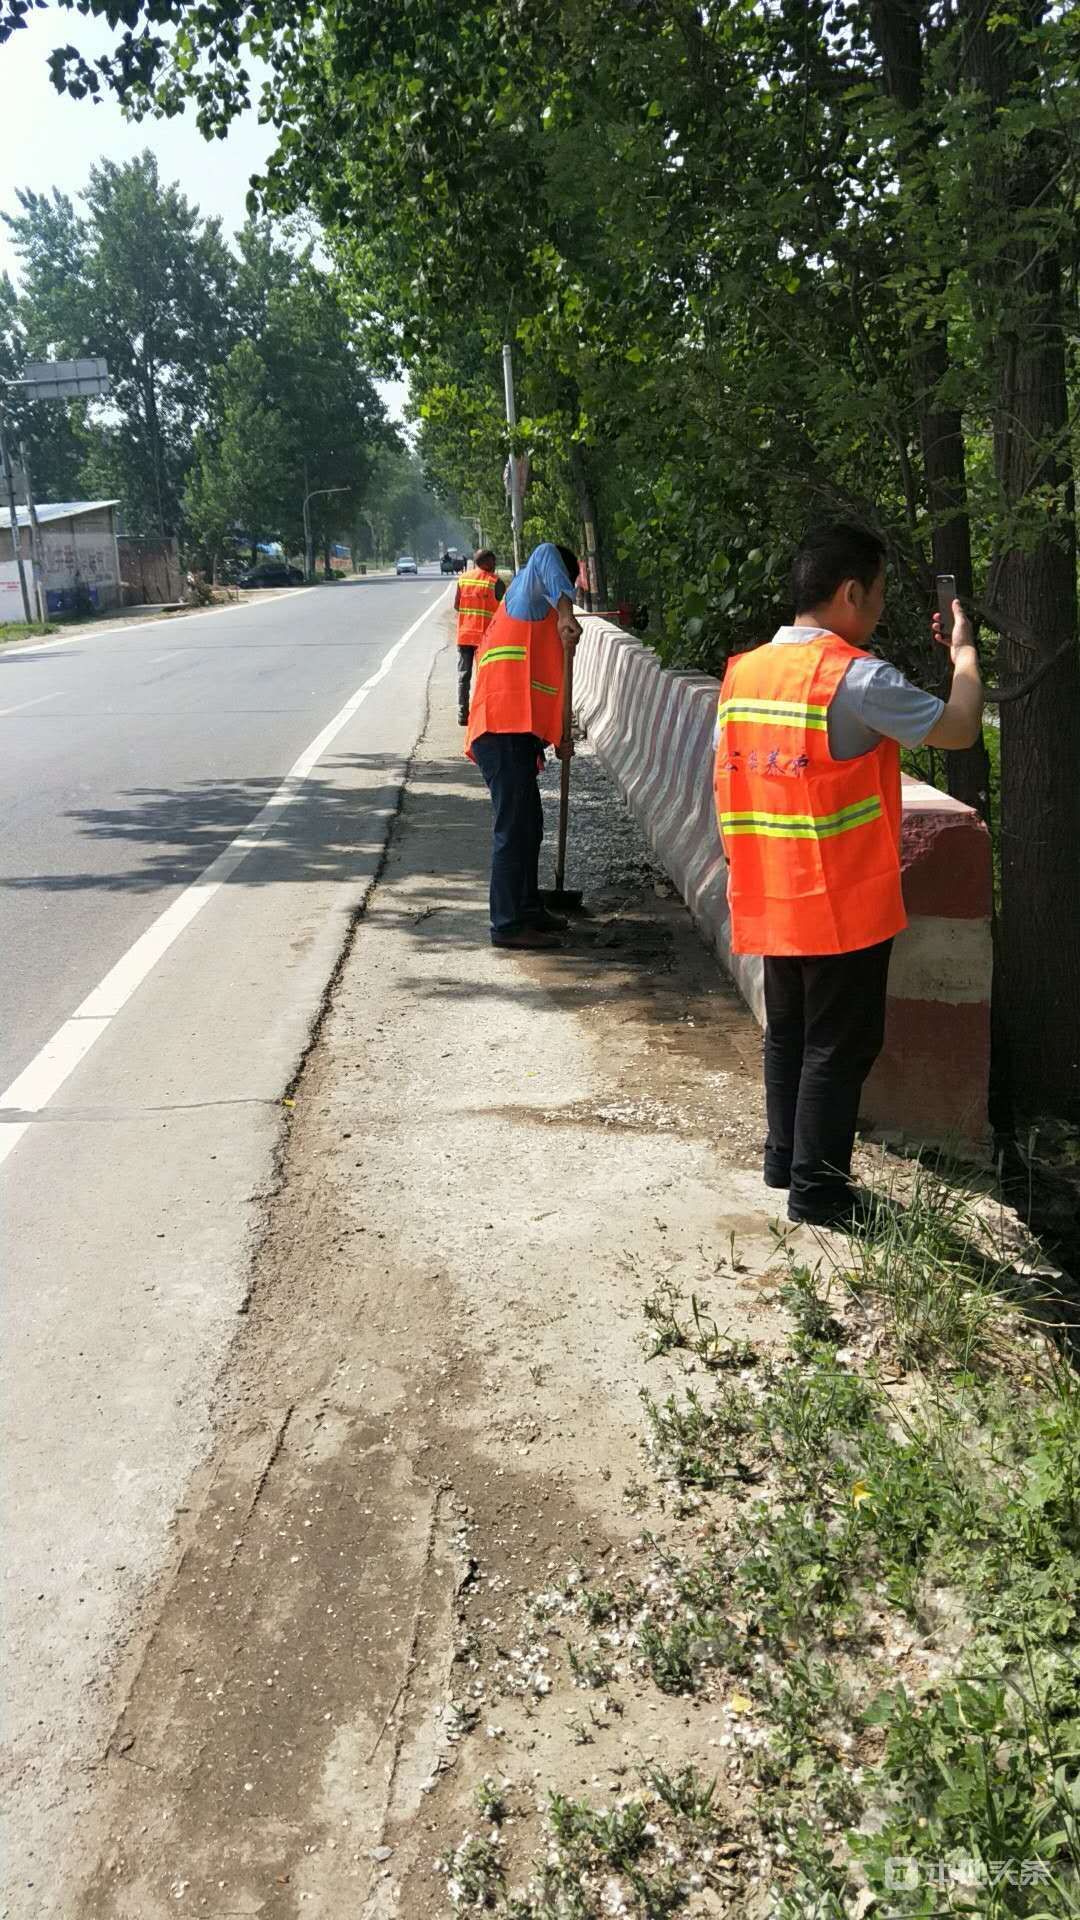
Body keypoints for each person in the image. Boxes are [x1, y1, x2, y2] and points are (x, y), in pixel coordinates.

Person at [713, 520, 984, 1228]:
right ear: (852, 591)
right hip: (839, 898)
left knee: (791, 1034)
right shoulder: (855, 676)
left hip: (768, 887)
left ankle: (785, 1163)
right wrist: (963, 656)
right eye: (880, 593)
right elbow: (958, 727)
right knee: (841, 1043)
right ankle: (820, 1193)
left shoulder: (745, 671)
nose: (882, 608)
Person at [465, 540, 582, 950]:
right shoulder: (528, 599)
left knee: (529, 824)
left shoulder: (539, 619)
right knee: (513, 828)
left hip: (516, 733)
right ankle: (507, 923)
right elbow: (545, 552)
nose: (567, 596)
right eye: (568, 587)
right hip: (499, 729)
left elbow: (542, 686)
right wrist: (566, 609)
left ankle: (528, 908)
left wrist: (558, 739)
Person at [454, 549, 505, 723]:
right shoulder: (495, 582)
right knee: (486, 677)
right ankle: (483, 713)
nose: (495, 564)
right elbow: (506, 610)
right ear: (486, 562)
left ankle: (462, 714)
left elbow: (456, 605)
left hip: (465, 636)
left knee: (464, 676)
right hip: (486, 638)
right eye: (493, 561)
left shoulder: (463, 579)